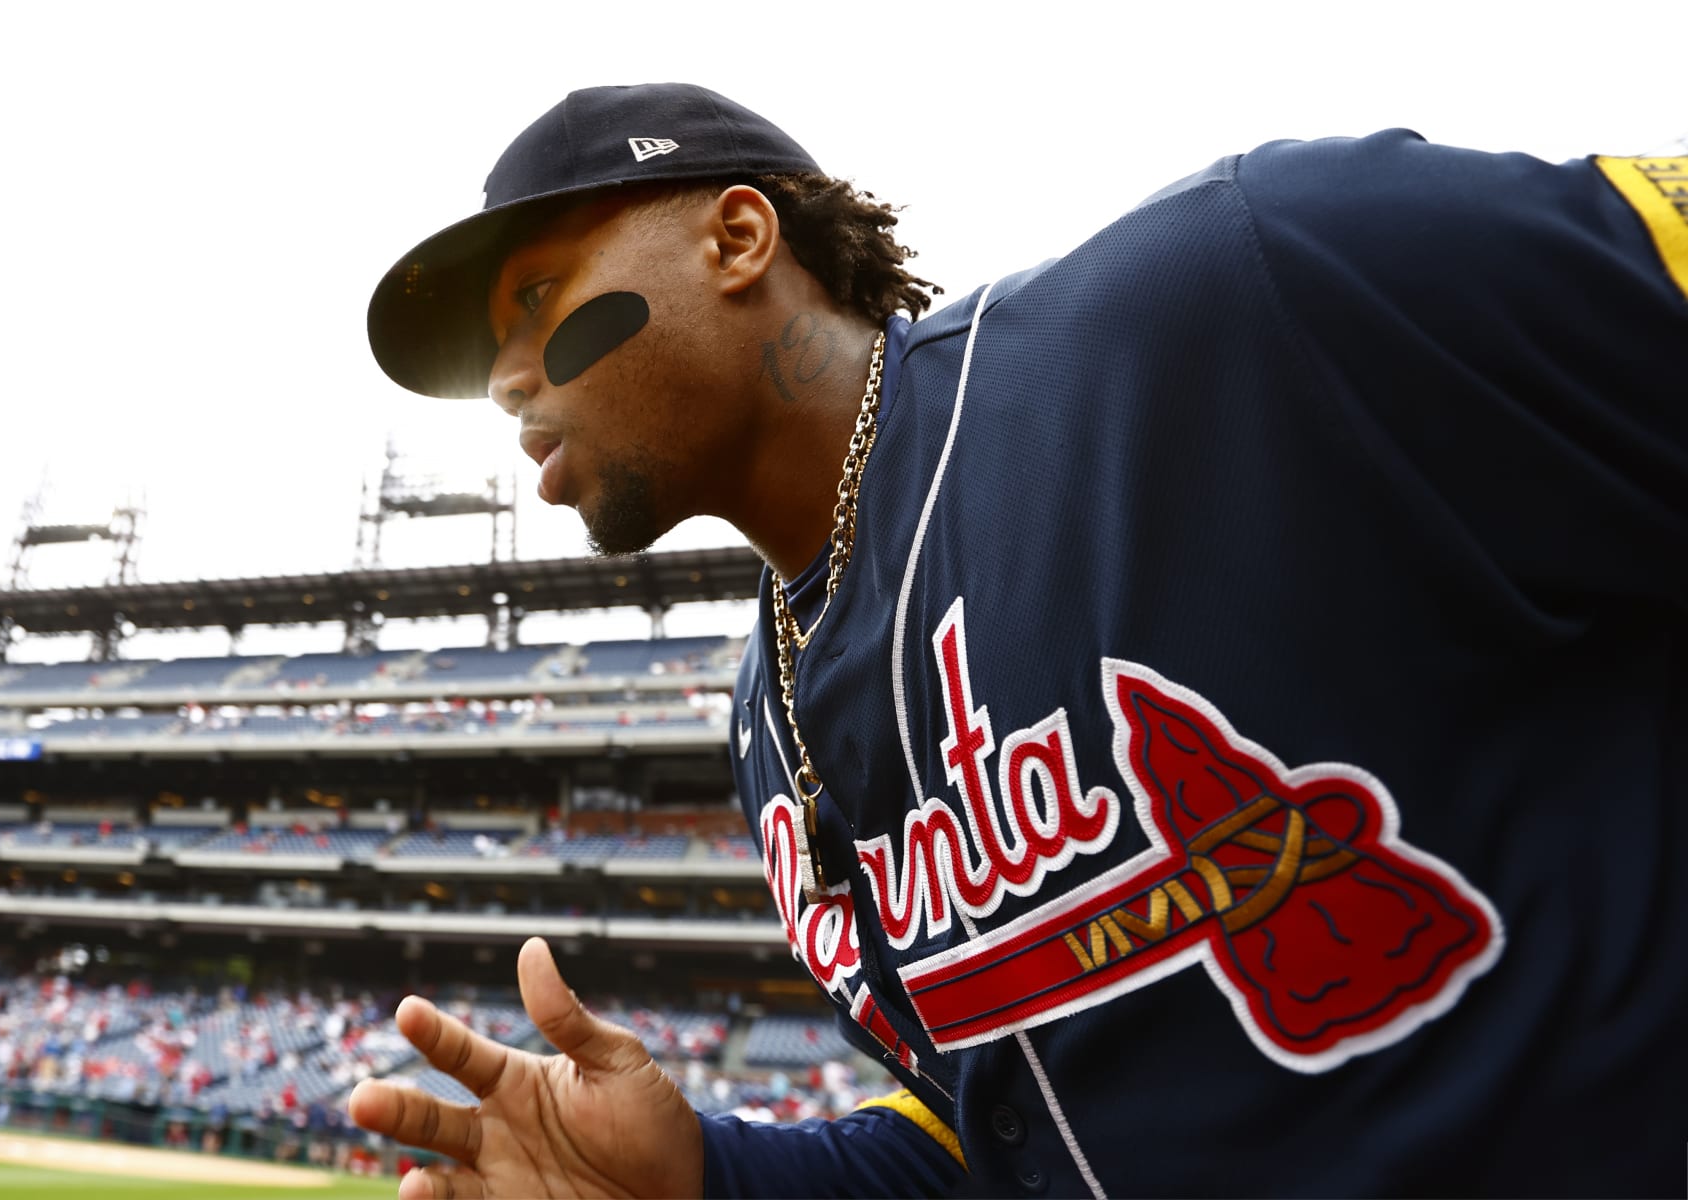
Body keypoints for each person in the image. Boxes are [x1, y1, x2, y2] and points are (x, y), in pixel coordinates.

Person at [349, 83, 1687, 1197]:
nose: (510, 373)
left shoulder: (1228, 304)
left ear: (738, 237)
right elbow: (1011, 1132)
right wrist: (714, 1180)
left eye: (539, 296)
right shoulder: (767, 723)